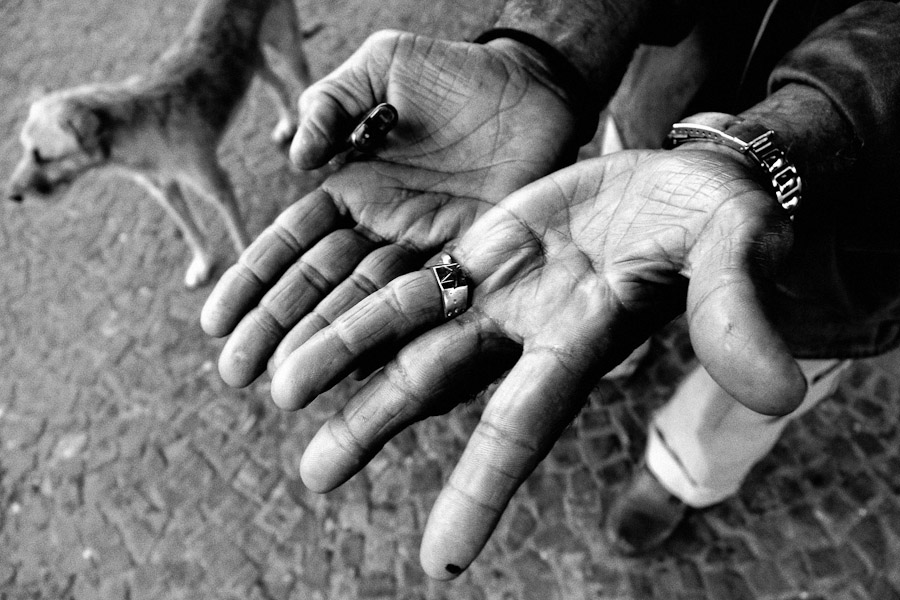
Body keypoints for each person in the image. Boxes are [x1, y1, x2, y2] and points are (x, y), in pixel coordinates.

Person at [201, 0, 900, 580]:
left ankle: (681, 473)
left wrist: (803, 132)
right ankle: (614, 350)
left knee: (749, 382)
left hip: (854, 235)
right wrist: (542, 49)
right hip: (656, 118)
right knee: (600, 299)